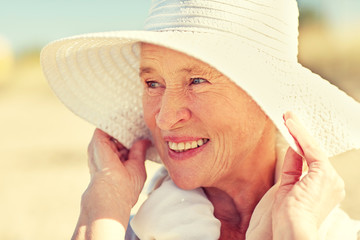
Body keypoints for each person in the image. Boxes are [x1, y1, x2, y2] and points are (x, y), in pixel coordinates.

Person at [40, 0, 360, 239]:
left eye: (197, 81)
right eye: (153, 83)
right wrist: (102, 205)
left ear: (269, 98)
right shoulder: (122, 228)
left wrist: (295, 229)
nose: (165, 118)